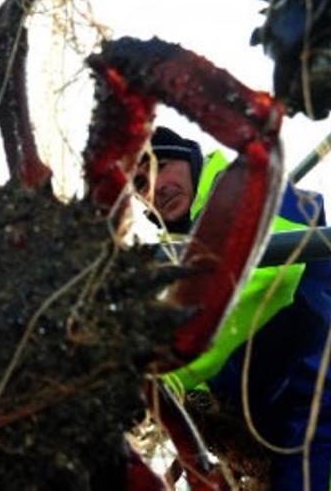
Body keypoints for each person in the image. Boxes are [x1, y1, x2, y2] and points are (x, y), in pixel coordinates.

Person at [136, 126, 331, 490]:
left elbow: (266, 278)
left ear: (193, 159)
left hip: (317, 408)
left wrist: (170, 371)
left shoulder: (250, 187)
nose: (156, 185)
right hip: (276, 432)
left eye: (163, 165)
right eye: (141, 183)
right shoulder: (174, 269)